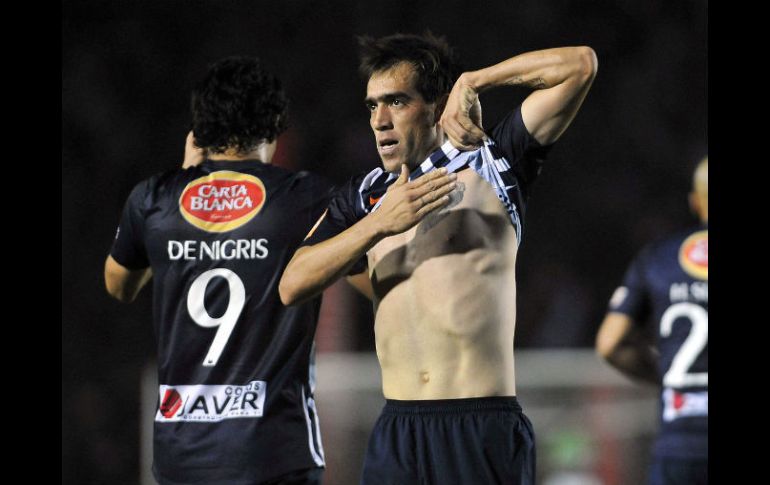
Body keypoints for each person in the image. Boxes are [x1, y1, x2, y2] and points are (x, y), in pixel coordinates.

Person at [280, 33, 597, 484]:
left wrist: (477, 80)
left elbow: (579, 65)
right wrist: (376, 226)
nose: (380, 121)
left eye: (396, 102)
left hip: (479, 426)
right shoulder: (366, 197)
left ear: (437, 105)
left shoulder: (493, 159)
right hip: (397, 430)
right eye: (372, 106)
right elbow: (292, 283)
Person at [104, 56, 332, 485]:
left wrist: (185, 185)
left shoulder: (153, 199)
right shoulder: (306, 199)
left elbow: (118, 285)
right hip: (273, 451)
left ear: (200, 128)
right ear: (276, 123)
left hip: (181, 453)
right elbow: (367, 277)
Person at [595, 157, 708, 485]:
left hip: (679, 443)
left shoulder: (658, 257)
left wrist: (666, 378)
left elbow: (610, 343)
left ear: (695, 201)